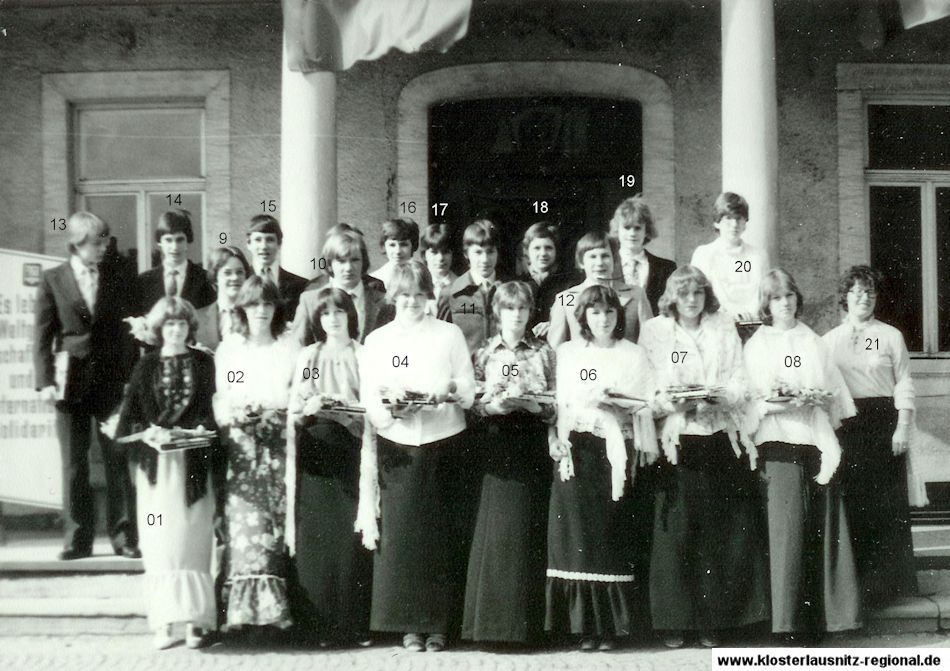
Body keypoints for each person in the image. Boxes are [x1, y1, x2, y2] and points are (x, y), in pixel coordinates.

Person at [639, 266, 769, 649]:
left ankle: (714, 622)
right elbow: (649, 389)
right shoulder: (656, 331)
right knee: (675, 534)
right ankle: (676, 622)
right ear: (672, 298)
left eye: (698, 293)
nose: (691, 300)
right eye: (684, 294)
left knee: (717, 531)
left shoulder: (721, 325)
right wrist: (672, 401)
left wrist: (720, 396)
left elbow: (740, 380)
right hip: (676, 440)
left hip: (716, 437)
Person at [360, 261, 476, 653]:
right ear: (394, 297)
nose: (412, 301)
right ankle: (410, 626)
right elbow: (369, 399)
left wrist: (450, 388)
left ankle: (440, 625)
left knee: (441, 536)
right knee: (405, 539)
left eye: (419, 294)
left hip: (445, 441)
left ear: (430, 295)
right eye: (405, 295)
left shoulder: (449, 334)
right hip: (400, 445)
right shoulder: (378, 341)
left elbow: (469, 387)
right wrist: (391, 411)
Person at [744, 268, 861, 640]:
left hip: (812, 439)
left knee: (817, 531)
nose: (785, 303)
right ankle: (785, 625)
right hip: (776, 441)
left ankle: (818, 622)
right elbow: (752, 396)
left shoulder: (812, 340)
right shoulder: (757, 344)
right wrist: (778, 401)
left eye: (790, 295)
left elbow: (830, 390)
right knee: (786, 533)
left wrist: (817, 398)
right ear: (767, 303)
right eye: (777, 298)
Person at [546, 285, 657, 651]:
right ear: (583, 317)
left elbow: (645, 403)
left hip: (615, 452)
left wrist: (619, 405)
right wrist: (555, 439)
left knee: (609, 536)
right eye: (595, 312)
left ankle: (609, 628)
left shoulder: (633, 354)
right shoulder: (568, 353)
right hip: (577, 448)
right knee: (576, 538)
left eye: (610, 312)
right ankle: (583, 629)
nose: (603, 318)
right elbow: (559, 403)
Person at [115, 297, 221, 650]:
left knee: (192, 544)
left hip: (193, 470)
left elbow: (213, 411)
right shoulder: (145, 366)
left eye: (181, 324)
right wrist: (148, 433)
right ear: (159, 329)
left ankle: (195, 622)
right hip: (157, 473)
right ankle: (163, 623)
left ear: (190, 327)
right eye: (169, 324)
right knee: (161, 543)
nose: (175, 330)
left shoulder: (205, 363)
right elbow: (128, 420)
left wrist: (198, 431)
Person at [33, 211, 139, 560]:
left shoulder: (117, 275)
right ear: (77, 244)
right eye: (98, 242)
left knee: (117, 458)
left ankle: (124, 536)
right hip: (70, 382)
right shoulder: (53, 279)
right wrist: (44, 382)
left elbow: (126, 332)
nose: (104, 248)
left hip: (109, 380)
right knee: (74, 463)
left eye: (106, 241)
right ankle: (77, 538)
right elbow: (42, 336)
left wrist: (129, 379)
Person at [462, 282, 555, 645]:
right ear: (498, 312)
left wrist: (536, 406)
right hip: (497, 444)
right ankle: (491, 628)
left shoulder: (544, 352)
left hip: (531, 443)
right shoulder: (485, 352)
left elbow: (556, 399)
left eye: (522, 308)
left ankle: (529, 629)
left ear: (531, 311)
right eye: (509, 308)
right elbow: (471, 406)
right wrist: (492, 406)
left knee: (529, 528)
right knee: (498, 531)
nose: (516, 315)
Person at [286, 288, 376, 646]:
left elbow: (372, 405)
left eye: (340, 312)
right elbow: (295, 406)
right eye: (326, 314)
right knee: (316, 540)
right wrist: (311, 405)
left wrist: (346, 408)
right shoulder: (309, 355)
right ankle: (316, 627)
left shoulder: (363, 354)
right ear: (318, 320)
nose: (333, 319)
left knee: (347, 538)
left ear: (350, 316)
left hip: (350, 449)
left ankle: (351, 625)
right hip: (315, 452)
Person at [823, 265, 918, 606]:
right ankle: (859, 591)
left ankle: (891, 589)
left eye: (870, 293)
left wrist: (903, 426)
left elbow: (904, 382)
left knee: (886, 506)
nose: (864, 298)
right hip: (848, 427)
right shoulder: (829, 341)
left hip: (884, 426)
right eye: (857, 292)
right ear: (845, 297)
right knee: (856, 505)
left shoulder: (890, 336)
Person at [214, 275, 299, 632]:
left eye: (267, 304)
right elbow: (224, 395)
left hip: (278, 444)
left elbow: (296, 391)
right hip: (242, 448)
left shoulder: (289, 346)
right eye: (253, 305)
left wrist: (272, 411)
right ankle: (242, 614)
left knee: (275, 526)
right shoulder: (231, 349)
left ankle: (274, 613)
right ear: (242, 309)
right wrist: (240, 411)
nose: (260, 311)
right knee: (244, 524)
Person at [547, 232, 652, 348]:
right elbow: (554, 348)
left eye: (605, 256)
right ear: (581, 262)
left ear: (615, 259)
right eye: (592, 257)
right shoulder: (565, 298)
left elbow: (650, 342)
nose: (599, 263)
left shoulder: (636, 294)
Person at [292, 230, 387, 345]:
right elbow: (298, 346)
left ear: (364, 262)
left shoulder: (385, 303)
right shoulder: (310, 301)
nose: (348, 268)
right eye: (341, 261)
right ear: (330, 264)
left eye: (355, 260)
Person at [689, 192, 770, 320]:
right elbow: (701, 295)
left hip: (753, 322)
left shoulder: (758, 256)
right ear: (717, 222)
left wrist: (750, 315)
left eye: (739, 218)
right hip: (716, 323)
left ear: (745, 222)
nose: (734, 224)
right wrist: (730, 313)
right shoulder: (704, 254)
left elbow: (763, 294)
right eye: (728, 218)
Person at [437, 220, 510, 353]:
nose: (485, 259)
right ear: (466, 254)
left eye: (490, 252)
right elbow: (440, 342)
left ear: (498, 252)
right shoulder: (451, 293)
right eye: (478, 252)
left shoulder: (510, 290)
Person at [132, 209, 216, 316]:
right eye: (168, 240)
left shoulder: (205, 279)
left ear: (188, 240)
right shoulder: (143, 281)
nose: (175, 247)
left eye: (180, 240)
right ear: (159, 242)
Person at [609, 196, 677, 317]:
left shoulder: (666, 268)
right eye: (627, 227)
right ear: (617, 230)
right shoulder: (606, 266)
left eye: (637, 228)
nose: (632, 233)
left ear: (646, 231)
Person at [516, 222, 578, 338]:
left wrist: (554, 325)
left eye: (548, 248)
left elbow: (573, 317)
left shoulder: (569, 285)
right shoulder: (519, 285)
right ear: (527, 252)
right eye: (537, 248)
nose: (543, 253)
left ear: (556, 251)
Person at [245, 214, 308, 321]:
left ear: (279, 244)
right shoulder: (243, 281)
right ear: (249, 244)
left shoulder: (300, 286)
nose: (264, 246)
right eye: (258, 240)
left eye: (270, 240)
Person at [194, 246, 252, 351]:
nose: (235, 277)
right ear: (215, 278)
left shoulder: (256, 314)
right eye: (227, 273)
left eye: (239, 272)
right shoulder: (197, 318)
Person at [368, 217, 419, 288]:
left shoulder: (423, 276)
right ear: (384, 246)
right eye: (392, 245)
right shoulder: (375, 279)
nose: (398, 251)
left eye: (404, 244)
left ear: (413, 245)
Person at [419, 223, 457, 313]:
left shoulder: (461, 286)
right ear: (424, 255)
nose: (440, 258)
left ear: (452, 254)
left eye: (445, 252)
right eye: (434, 252)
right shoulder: (415, 284)